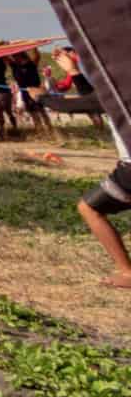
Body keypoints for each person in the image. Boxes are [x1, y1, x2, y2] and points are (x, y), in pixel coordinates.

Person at [76, 122, 131, 290]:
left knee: (89, 208)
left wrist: (44, 99)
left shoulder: (114, 94)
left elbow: (89, 102)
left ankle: (128, 273)